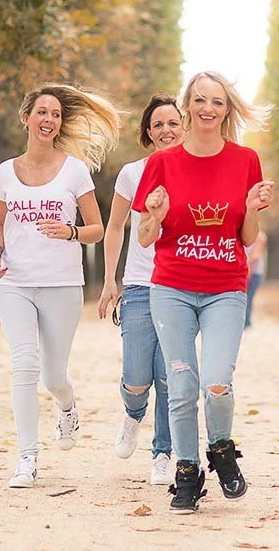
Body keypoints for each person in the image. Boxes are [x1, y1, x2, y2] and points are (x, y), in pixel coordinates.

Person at [133, 71, 273, 514]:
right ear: (187, 105)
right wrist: (154, 213)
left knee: (216, 381)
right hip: (172, 286)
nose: (207, 108)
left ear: (227, 109)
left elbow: (248, 237)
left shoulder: (246, 159)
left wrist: (251, 210)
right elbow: (144, 237)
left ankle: (221, 449)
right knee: (180, 384)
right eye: (199, 100)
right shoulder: (163, 162)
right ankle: (187, 472)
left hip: (225, 288)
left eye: (216, 101)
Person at [0, 84, 119, 489]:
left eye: (56, 115)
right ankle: (26, 457)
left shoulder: (75, 170)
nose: (49, 121)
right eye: (42, 113)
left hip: (62, 284)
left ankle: (67, 404)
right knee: (24, 365)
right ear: (26, 118)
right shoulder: (6, 172)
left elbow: (97, 230)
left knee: (53, 376)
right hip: (15, 284)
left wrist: (69, 232)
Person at [97, 93, 184, 486]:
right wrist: (109, 279)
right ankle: (133, 414)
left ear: (184, 127)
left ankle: (162, 452)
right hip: (137, 284)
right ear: (148, 133)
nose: (166, 130)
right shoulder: (132, 173)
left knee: (169, 376)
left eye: (173, 123)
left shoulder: (197, 171)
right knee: (137, 375)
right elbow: (115, 227)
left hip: (180, 285)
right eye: (158, 125)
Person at [243, 231, 267, 328]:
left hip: (255, 273)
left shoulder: (260, 236)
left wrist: (244, 260)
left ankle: (246, 322)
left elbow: (257, 254)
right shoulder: (242, 233)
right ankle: (244, 321)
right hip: (244, 271)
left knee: (249, 297)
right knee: (243, 297)